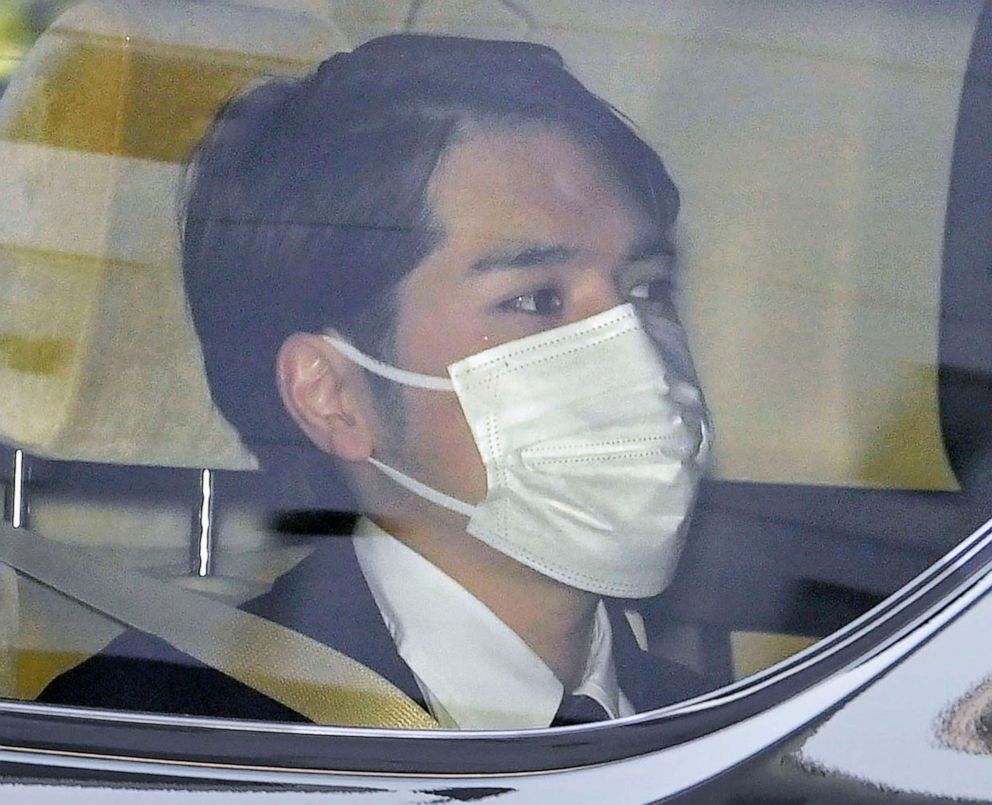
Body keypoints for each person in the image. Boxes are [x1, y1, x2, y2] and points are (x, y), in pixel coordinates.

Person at [39, 34, 714, 729]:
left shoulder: (739, 730)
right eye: (537, 298)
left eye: (647, 289)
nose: (639, 355)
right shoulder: (158, 733)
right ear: (331, 394)